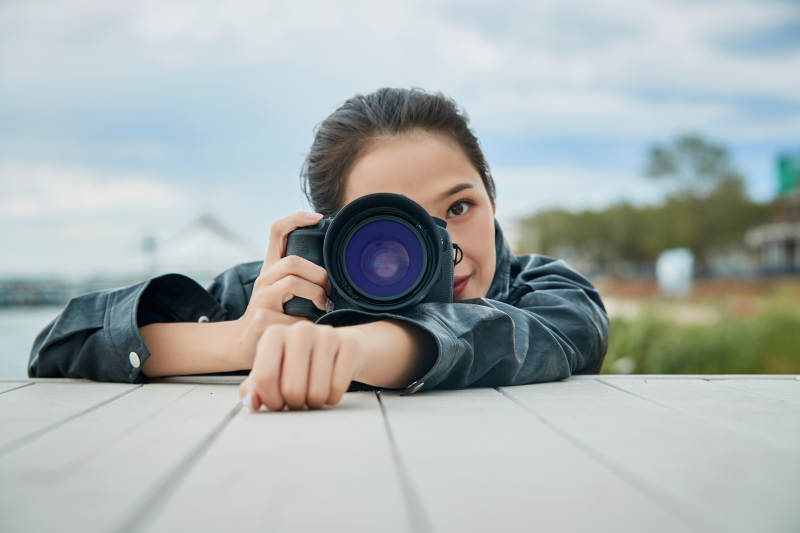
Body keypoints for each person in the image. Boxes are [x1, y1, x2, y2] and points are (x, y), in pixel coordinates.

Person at [28, 87, 609, 412]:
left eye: (459, 209)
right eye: (395, 232)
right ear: (336, 234)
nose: (448, 252)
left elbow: (546, 330)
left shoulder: (547, 290)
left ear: (492, 197)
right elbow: (63, 342)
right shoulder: (295, 291)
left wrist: (347, 347)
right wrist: (239, 339)